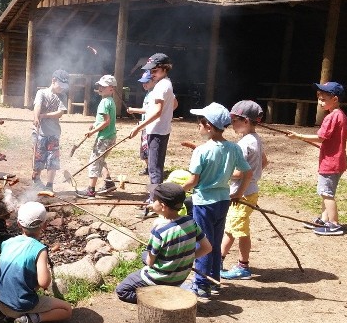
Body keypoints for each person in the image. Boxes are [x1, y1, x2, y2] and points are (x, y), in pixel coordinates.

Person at [181, 102, 252, 299]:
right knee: (215, 240)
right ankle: (214, 280)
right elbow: (248, 172)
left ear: (209, 126)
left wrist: (176, 191)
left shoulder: (201, 151)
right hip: (223, 201)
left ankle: (202, 284)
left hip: (203, 202)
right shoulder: (233, 148)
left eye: (199, 123)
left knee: (203, 242)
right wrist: (239, 193)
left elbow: (193, 181)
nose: (198, 126)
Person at [115, 183, 212, 303]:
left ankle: (158, 299)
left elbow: (150, 263)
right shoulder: (191, 222)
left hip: (160, 278)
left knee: (122, 290)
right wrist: (185, 258)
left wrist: (145, 255)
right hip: (179, 278)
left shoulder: (160, 230)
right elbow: (207, 248)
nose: (152, 201)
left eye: (154, 200)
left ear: (163, 206)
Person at [0, 201, 72, 323]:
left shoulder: (7, 242)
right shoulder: (39, 249)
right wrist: (45, 267)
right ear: (44, 225)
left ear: (18, 224)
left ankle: (9, 317)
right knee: (66, 309)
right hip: (19, 305)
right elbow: (44, 283)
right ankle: (30, 319)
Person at [287, 82, 347, 236]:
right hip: (337, 160)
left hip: (330, 162)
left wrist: (299, 136)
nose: (320, 102)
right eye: (319, 99)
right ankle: (324, 219)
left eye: (323, 99)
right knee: (325, 191)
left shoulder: (331, 117)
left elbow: (321, 137)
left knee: (327, 193)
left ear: (334, 99)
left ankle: (334, 224)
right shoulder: (341, 115)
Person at [220, 101, 268, 280]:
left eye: (234, 120)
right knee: (241, 229)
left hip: (242, 193)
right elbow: (264, 162)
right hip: (250, 191)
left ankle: (222, 262)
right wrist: (254, 176)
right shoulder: (255, 139)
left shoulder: (244, 144)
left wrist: (222, 174)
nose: (231, 124)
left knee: (231, 230)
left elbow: (240, 172)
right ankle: (241, 264)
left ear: (246, 121)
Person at [128, 53, 176, 188]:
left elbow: (157, 111)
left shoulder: (161, 86)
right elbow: (174, 104)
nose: (152, 73)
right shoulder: (167, 83)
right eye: (150, 70)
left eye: (155, 70)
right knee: (156, 167)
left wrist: (138, 127)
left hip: (157, 132)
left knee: (154, 170)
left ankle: (154, 200)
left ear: (165, 69)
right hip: (161, 130)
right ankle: (155, 198)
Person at [78, 75, 118, 198]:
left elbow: (106, 122)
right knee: (100, 160)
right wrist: (94, 124)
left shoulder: (104, 102)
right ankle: (108, 182)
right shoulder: (110, 101)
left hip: (104, 138)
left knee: (94, 161)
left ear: (111, 88)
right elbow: (104, 120)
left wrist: (93, 131)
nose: (100, 88)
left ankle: (91, 190)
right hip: (111, 136)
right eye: (100, 86)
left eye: (103, 86)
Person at [31, 69, 69, 191]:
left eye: (64, 86)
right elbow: (37, 106)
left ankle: (49, 186)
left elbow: (60, 113)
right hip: (41, 132)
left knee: (53, 159)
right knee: (39, 157)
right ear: (53, 80)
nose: (62, 88)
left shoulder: (62, 95)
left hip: (54, 133)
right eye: (61, 85)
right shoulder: (41, 93)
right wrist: (36, 117)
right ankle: (36, 179)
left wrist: (44, 116)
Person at [127, 70, 153, 176]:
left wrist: (133, 110)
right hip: (144, 125)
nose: (144, 84)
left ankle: (152, 168)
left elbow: (149, 110)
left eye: (146, 82)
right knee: (144, 147)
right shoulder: (148, 94)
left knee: (148, 147)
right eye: (143, 82)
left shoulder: (153, 94)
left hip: (149, 125)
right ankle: (148, 167)